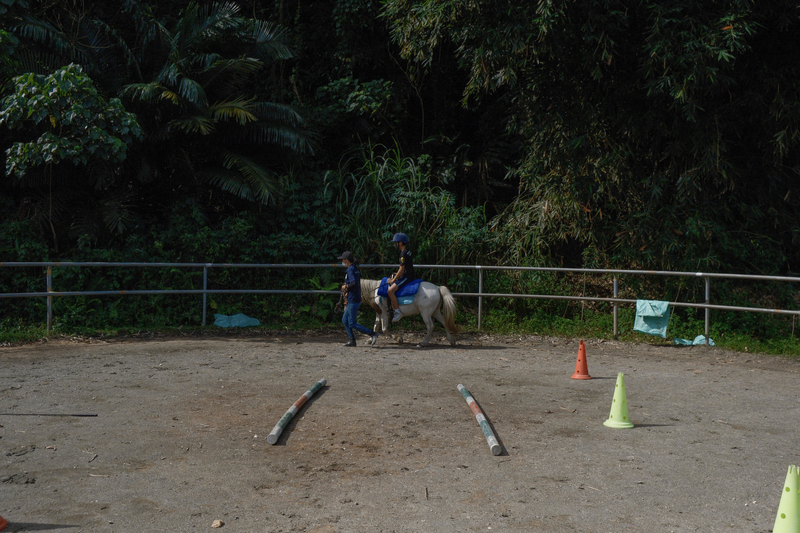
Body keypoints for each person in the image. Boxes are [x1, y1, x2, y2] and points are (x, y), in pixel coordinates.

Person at [339, 251, 380, 347]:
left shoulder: (350, 270)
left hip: (353, 299)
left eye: (343, 260)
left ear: (346, 260)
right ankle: (352, 340)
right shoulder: (354, 269)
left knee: (352, 323)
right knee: (345, 320)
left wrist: (346, 287)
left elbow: (353, 283)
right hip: (354, 297)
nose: (342, 261)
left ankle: (372, 333)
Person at [387, 233, 416, 322]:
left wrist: (394, 279)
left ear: (400, 243)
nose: (394, 244)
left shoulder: (403, 254)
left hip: (407, 277)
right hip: (408, 274)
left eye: (396, 242)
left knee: (390, 291)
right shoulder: (407, 251)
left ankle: (397, 311)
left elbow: (402, 268)